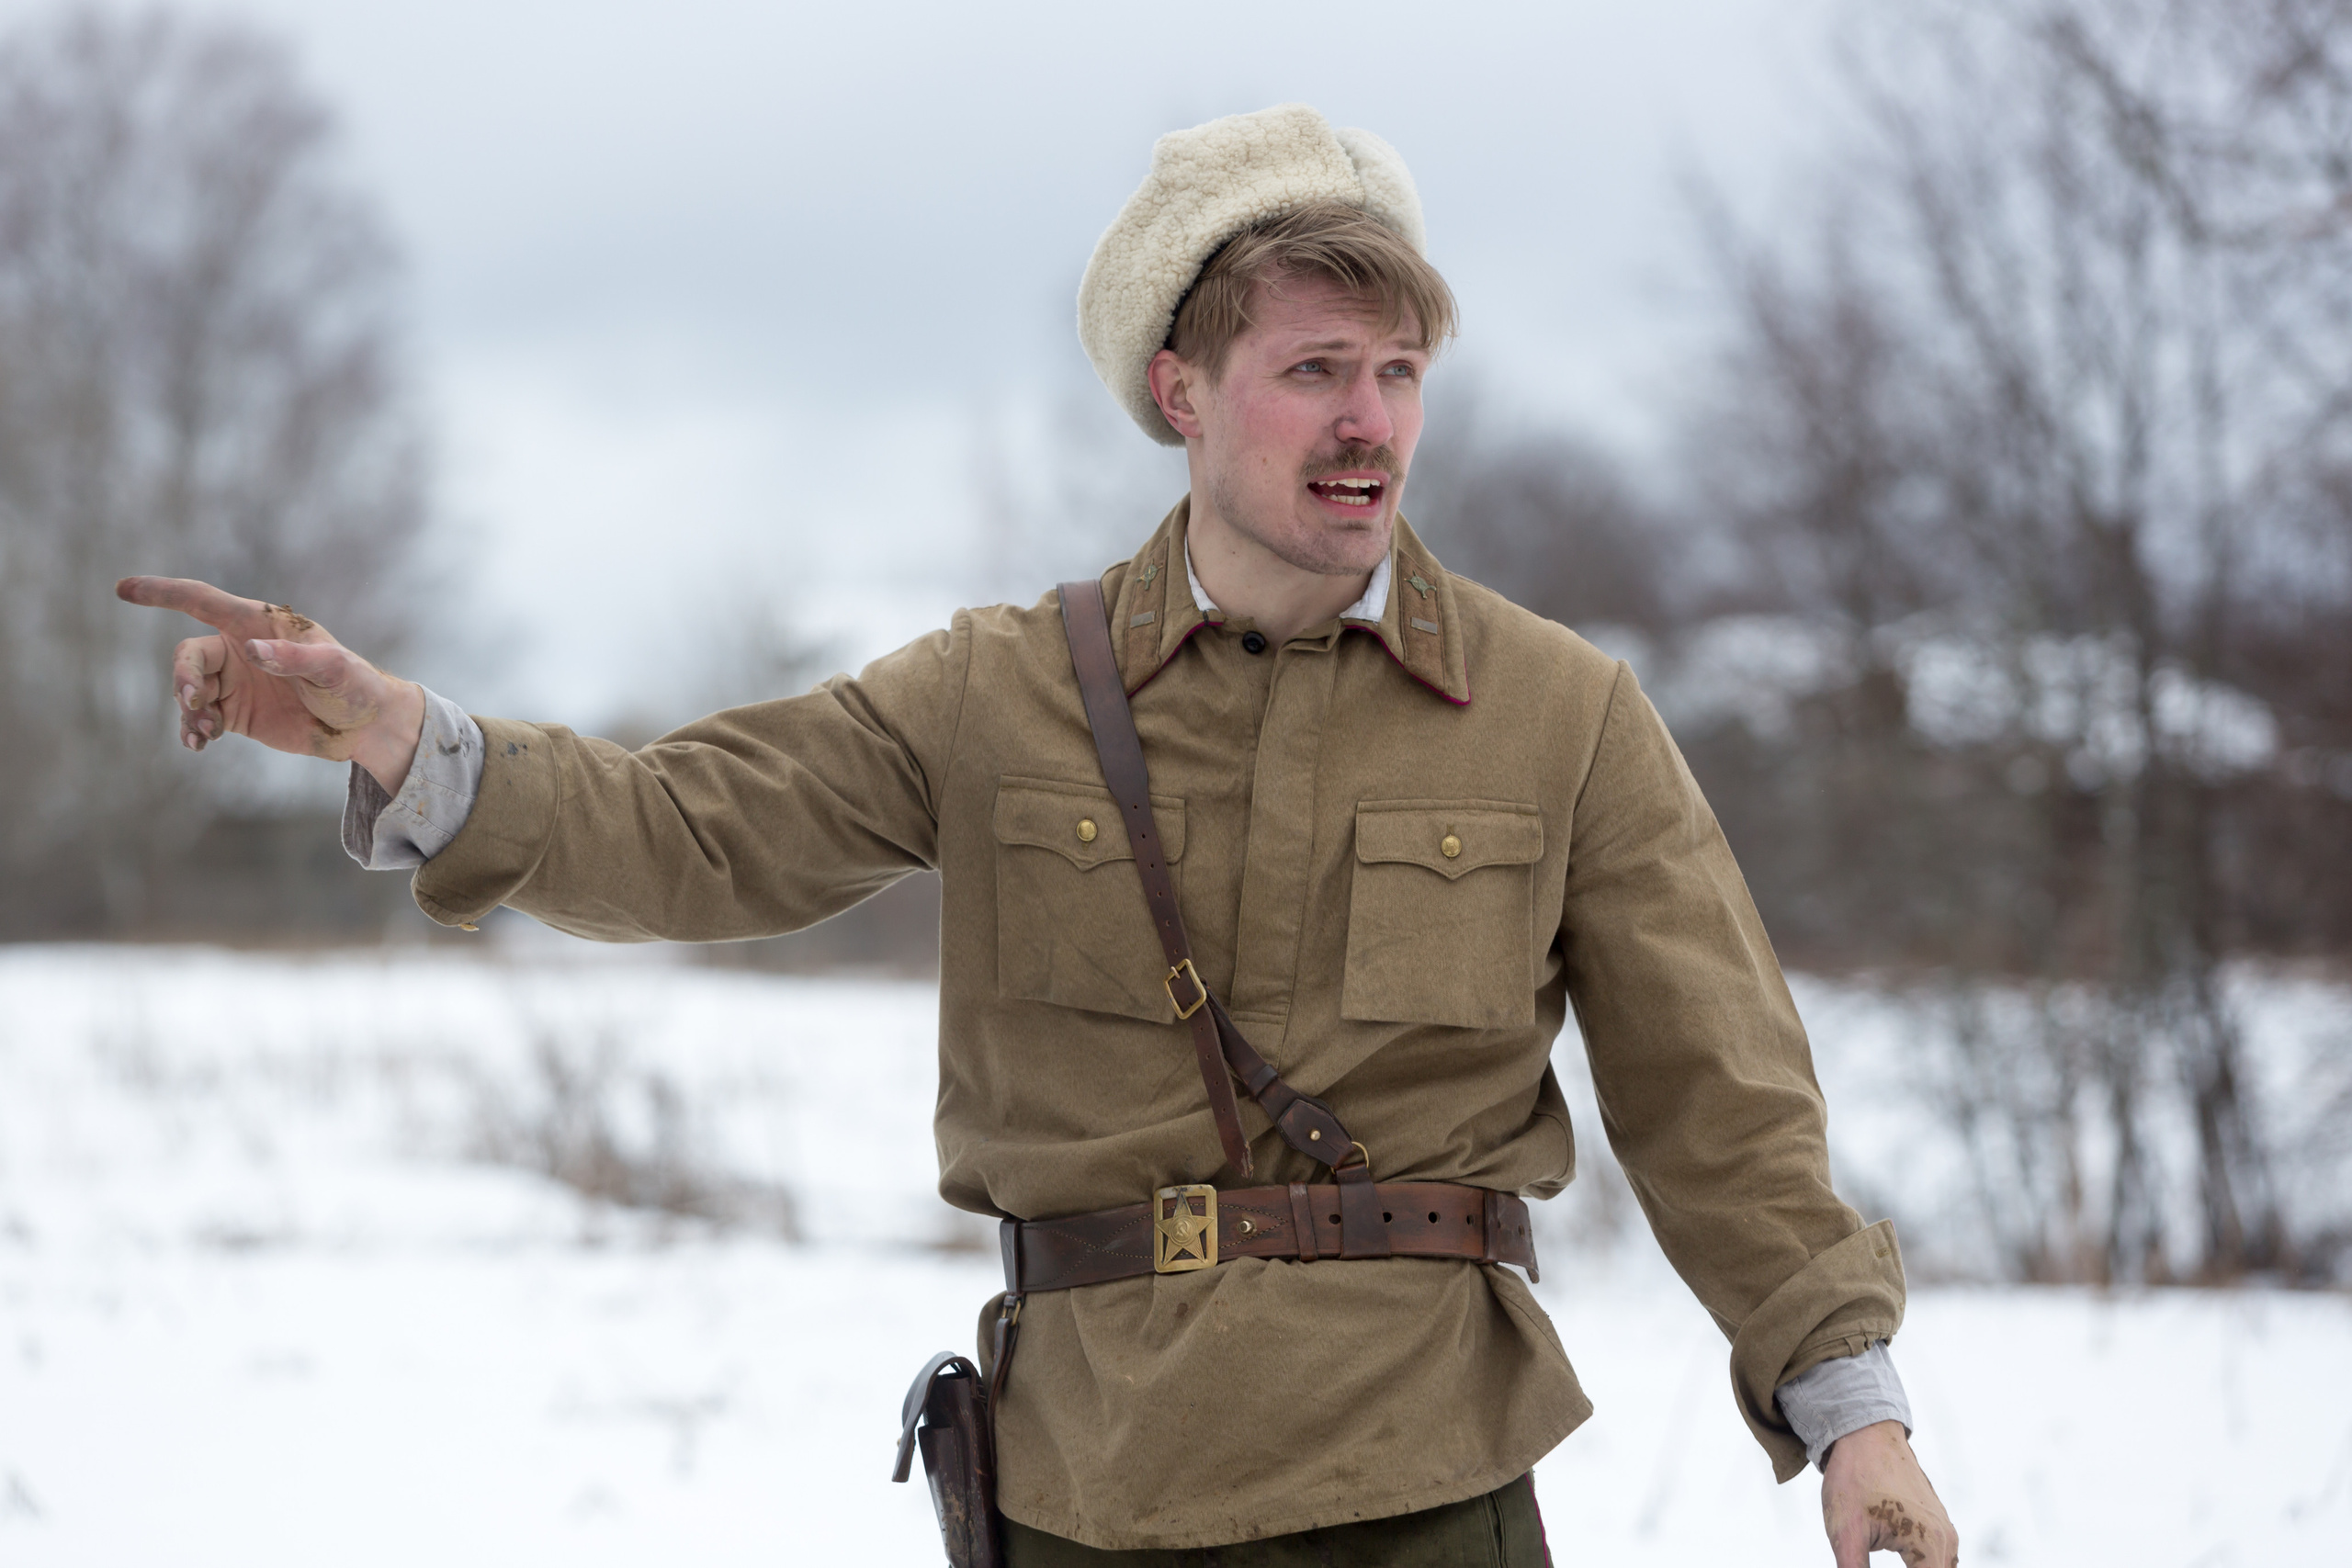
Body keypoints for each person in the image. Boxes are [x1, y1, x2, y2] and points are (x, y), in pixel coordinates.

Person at [120, 103, 1957, 1567]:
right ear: (1180, 388)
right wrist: (400, 734)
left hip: (1429, 1488)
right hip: (1098, 1492)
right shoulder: (997, 692)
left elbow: (1722, 1096)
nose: (1367, 421)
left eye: (1397, 371)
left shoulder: (1564, 715)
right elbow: (685, 826)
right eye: (1315, 367)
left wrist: (1850, 1412)